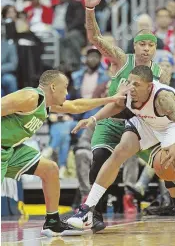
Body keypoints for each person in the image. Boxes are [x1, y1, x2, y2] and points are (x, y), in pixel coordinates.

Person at [68, 65, 175, 235]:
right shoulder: (128, 90)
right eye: (131, 83)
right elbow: (118, 106)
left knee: (170, 167)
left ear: (149, 86)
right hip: (147, 123)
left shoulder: (163, 98)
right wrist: (94, 118)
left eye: (137, 85)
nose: (132, 88)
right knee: (119, 152)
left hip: (172, 125)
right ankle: (87, 211)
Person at [81, 0, 175, 234]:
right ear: (134, 46)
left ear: (155, 48)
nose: (146, 49)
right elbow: (95, 38)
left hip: (141, 124)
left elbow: (161, 105)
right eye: (141, 44)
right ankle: (95, 214)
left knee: (166, 163)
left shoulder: (162, 71)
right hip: (112, 121)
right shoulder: (122, 59)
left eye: (150, 45)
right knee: (98, 160)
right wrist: (90, 10)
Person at [1, 70, 125, 237]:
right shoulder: (30, 97)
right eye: (65, 87)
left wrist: (111, 99)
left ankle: (52, 223)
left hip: (11, 149)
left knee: (50, 169)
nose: (67, 92)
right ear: (53, 87)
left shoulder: (44, 104)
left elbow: (76, 106)